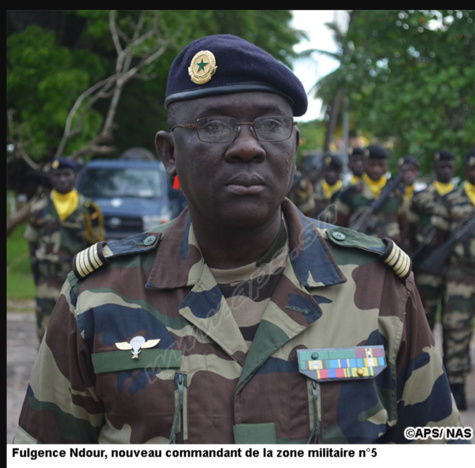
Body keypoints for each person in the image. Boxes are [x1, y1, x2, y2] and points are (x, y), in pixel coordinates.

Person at [14, 34, 465, 445]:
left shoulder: (379, 285)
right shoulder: (95, 296)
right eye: (213, 126)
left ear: (294, 145)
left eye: (271, 124)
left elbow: (438, 450)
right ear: (170, 154)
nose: (248, 146)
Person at [24, 157, 104, 343]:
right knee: (46, 330)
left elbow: (97, 248)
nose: (62, 179)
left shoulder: (88, 209)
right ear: (51, 178)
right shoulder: (39, 208)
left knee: (77, 330)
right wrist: (37, 272)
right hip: (47, 281)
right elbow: (32, 243)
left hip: (77, 280)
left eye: (66, 174)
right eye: (57, 175)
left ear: (75, 176)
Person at [431, 150, 475, 411]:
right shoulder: (452, 199)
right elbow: (439, 238)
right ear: (466, 171)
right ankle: (455, 388)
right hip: (461, 274)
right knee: (456, 329)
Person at [408, 150, 457, 330]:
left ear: (455, 168)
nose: (445, 171)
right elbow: (410, 230)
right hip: (428, 264)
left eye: (449, 167)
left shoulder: (462, 198)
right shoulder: (421, 197)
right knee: (424, 318)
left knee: (454, 321)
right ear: (435, 167)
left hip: (455, 266)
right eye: (442, 166)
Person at [336, 144, 407, 246]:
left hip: (391, 251)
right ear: (364, 164)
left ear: (386, 165)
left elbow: (404, 224)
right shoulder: (351, 192)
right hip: (361, 250)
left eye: (381, 165)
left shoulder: (396, 191)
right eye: (372, 165)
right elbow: (339, 225)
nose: (376, 169)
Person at [312, 153, 343, 223]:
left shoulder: (344, 190)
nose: (331, 174)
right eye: (328, 170)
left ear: (340, 172)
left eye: (335, 171)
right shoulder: (315, 189)